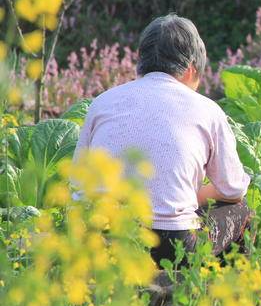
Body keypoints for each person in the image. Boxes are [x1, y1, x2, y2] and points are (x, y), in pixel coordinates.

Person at [73, 14, 251, 267]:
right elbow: (232, 190)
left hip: (100, 239)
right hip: (171, 244)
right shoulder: (207, 110)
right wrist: (189, 197)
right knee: (241, 211)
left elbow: (78, 186)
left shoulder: (101, 103)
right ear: (192, 68)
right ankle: (221, 287)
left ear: (140, 63)